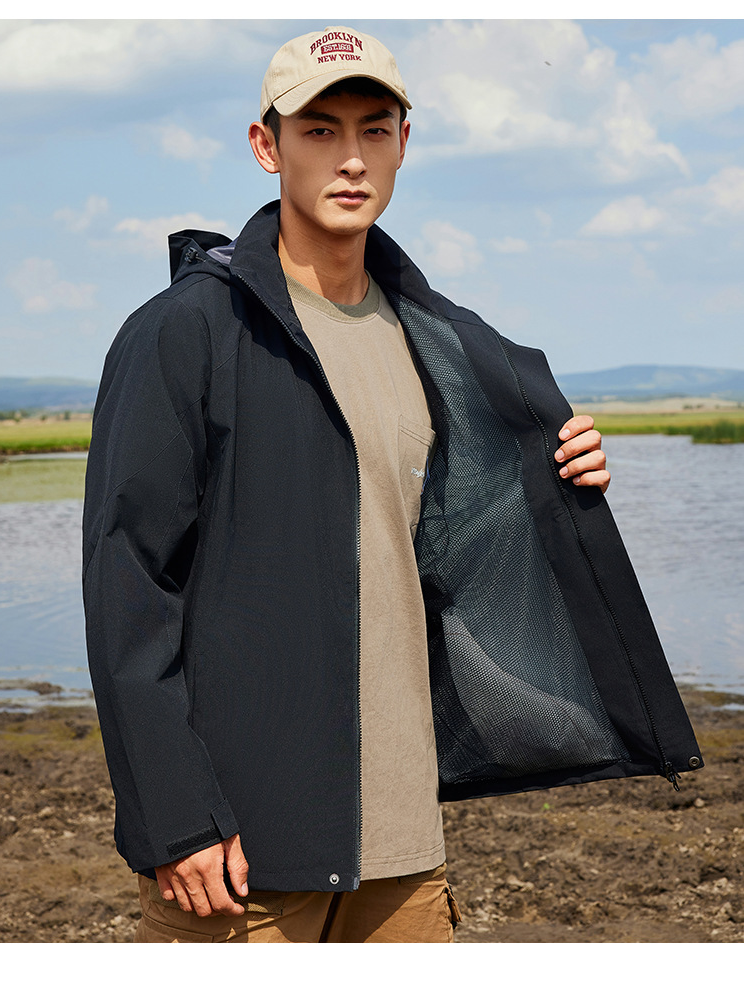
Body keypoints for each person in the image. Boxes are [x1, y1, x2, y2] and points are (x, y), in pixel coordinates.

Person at [82, 26, 702, 943]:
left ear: (404, 144)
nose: (351, 158)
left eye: (374, 130)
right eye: (319, 130)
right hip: (245, 850)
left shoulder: (435, 337)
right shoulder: (187, 331)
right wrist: (175, 816)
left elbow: (440, 545)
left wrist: (553, 479)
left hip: (405, 841)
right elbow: (127, 581)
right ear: (266, 147)